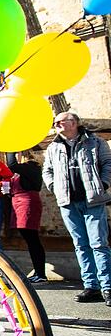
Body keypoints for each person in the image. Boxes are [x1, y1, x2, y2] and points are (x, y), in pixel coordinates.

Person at [43, 112, 111, 306]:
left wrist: (104, 183)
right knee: (81, 245)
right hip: (68, 203)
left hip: (93, 201)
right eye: (56, 123)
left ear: (73, 123)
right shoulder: (53, 147)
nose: (56, 125)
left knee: (99, 244)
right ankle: (91, 286)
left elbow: (108, 163)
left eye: (59, 122)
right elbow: (47, 171)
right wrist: (54, 187)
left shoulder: (95, 142)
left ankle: (107, 287)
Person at [6, 149, 47, 284]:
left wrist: (9, 149)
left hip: (27, 203)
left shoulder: (31, 167)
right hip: (19, 203)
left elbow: (11, 165)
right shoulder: (24, 170)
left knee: (32, 239)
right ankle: (38, 272)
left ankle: (40, 273)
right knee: (30, 239)